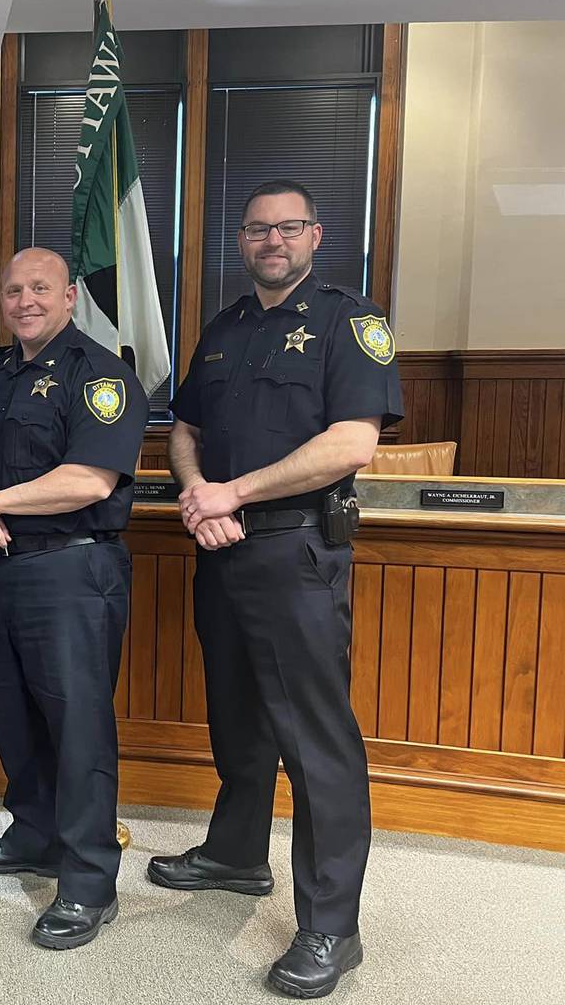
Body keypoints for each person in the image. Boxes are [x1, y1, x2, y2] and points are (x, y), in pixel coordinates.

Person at [156, 179, 403, 998]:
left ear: (314, 234)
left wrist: (237, 492)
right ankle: (233, 854)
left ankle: (333, 926)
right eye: (258, 229)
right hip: (220, 549)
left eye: (287, 228)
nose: (272, 240)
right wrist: (201, 496)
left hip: (296, 553)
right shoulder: (224, 329)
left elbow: (351, 443)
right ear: (242, 240)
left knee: (316, 742)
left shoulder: (350, 321)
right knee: (237, 717)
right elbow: (184, 431)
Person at [0, 247, 146, 950]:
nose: (24, 300)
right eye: (12, 290)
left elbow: (89, 480)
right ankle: (34, 832)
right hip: (0, 565)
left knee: (78, 728)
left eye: (39, 288)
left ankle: (90, 882)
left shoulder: (100, 374)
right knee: (13, 714)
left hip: (72, 571)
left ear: (67, 297)